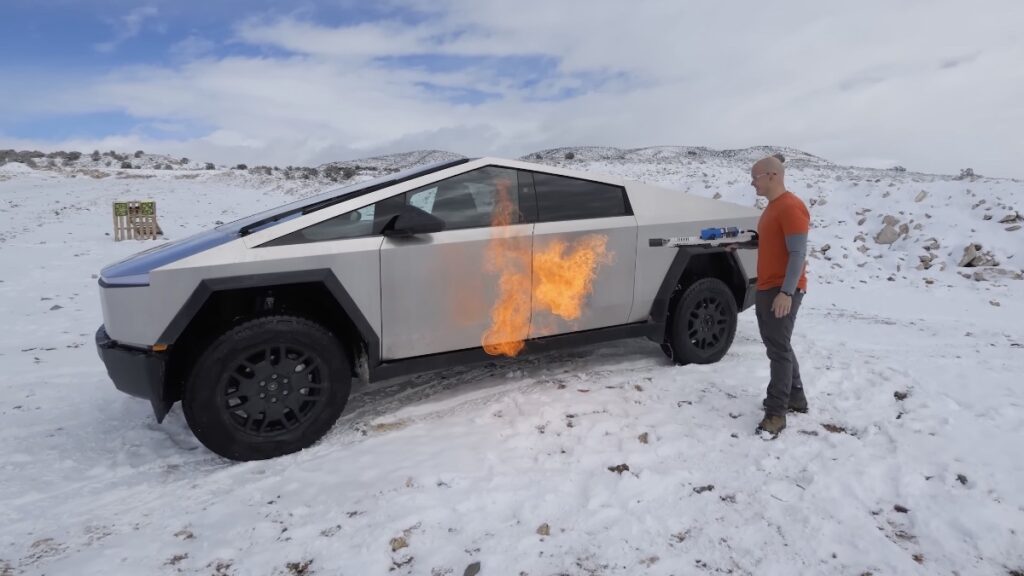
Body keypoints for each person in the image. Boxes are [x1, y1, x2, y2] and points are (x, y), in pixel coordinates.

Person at [746, 155, 810, 436]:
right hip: (767, 286)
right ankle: (796, 397)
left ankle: (776, 413)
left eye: (755, 177)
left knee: (778, 350)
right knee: (778, 344)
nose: (752, 183)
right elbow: (772, 243)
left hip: (781, 289)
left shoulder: (791, 207)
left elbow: (797, 253)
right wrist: (740, 244)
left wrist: (786, 292)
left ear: (772, 175)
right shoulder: (772, 208)